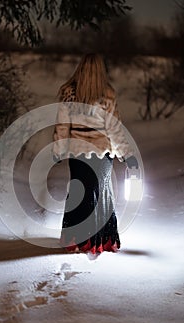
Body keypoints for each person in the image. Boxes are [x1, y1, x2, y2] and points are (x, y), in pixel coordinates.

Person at [52, 53, 138, 255]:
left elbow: (62, 126)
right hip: (101, 156)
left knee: (78, 193)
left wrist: (58, 151)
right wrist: (127, 154)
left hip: (77, 154)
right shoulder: (107, 95)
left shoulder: (69, 93)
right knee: (101, 195)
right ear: (101, 70)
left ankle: (76, 239)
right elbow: (115, 129)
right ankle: (100, 240)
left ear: (80, 68)